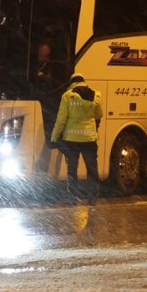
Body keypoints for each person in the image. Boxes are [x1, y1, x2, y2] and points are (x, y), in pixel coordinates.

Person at [50, 74, 103, 203]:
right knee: (91, 168)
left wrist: (54, 138)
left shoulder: (67, 96)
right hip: (89, 139)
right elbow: (99, 114)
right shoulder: (96, 95)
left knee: (72, 169)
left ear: (72, 82)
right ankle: (92, 196)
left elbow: (61, 120)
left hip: (72, 139)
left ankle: (73, 196)